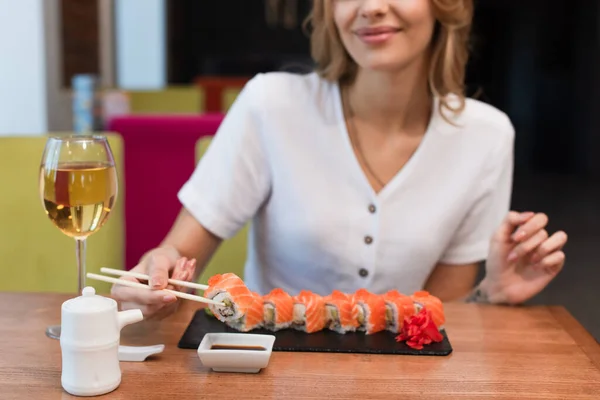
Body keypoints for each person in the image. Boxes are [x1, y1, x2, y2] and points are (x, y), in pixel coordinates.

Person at [112, 0, 568, 318]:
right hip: (270, 371)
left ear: (441, 5)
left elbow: (440, 315)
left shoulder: (484, 136)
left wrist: (492, 294)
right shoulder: (271, 104)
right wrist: (156, 272)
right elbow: (177, 255)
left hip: (407, 381)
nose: (370, 6)